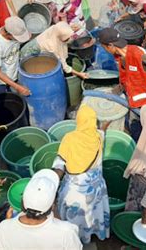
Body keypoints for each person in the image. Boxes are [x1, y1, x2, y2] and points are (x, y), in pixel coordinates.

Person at [53, 104, 110, 244]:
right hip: (96, 187)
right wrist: (110, 117)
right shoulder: (98, 137)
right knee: (94, 213)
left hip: (75, 190)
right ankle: (95, 235)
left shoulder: (69, 138)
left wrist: (53, 181)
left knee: (77, 219)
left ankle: (77, 242)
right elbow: (102, 129)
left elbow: (60, 163)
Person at [0, 169, 83, 250]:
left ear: (22, 203)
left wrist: (9, 221)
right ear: (52, 206)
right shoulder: (67, 232)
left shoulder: (3, 228)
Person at [99, 27, 146, 108]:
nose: (105, 50)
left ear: (110, 46)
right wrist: (114, 92)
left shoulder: (138, 54)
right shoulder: (119, 57)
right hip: (137, 97)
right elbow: (126, 79)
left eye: (104, 47)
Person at [20, 21, 88, 79]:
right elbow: (63, 65)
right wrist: (79, 74)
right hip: (31, 51)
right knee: (34, 68)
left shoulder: (58, 29)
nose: (69, 40)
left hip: (40, 44)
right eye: (67, 39)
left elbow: (66, 29)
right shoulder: (53, 45)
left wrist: (74, 28)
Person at [0, 16, 31, 96]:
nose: (18, 40)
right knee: (1, 101)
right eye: (17, 38)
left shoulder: (14, 31)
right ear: (8, 34)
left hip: (12, 74)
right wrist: (18, 87)